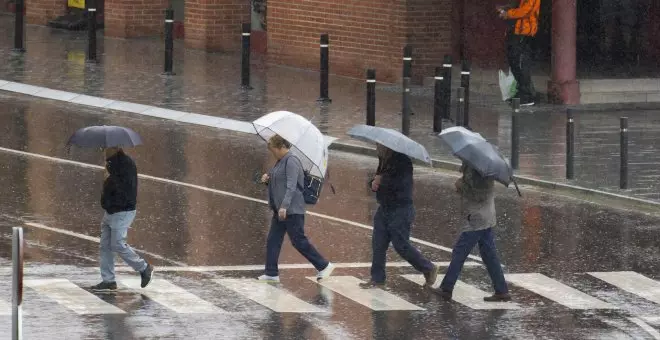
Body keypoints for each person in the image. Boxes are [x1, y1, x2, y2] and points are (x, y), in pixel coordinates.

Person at [360, 144, 438, 289]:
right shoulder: (384, 160)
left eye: (380, 146)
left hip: (400, 209)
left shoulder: (403, 162)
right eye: (376, 145)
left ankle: (428, 268)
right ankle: (377, 279)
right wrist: (373, 183)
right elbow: (377, 180)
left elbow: (400, 185)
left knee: (401, 245)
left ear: (388, 147)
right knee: (378, 244)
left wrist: (381, 181)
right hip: (384, 208)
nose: (377, 148)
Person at [259, 135, 335, 282]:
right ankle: (271, 273)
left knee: (298, 241)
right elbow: (279, 181)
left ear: (281, 147)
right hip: (281, 210)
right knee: (273, 240)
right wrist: (267, 179)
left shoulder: (292, 161)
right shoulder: (281, 161)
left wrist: (285, 206)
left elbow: (292, 186)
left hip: (291, 210)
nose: (272, 153)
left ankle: (324, 265)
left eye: (273, 150)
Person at [435, 163, 510, 302]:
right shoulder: (480, 166)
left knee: (460, 251)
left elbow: (478, 194)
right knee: (489, 254)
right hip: (484, 215)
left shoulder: (478, 168)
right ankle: (502, 290)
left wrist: (460, 186)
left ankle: (446, 288)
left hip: (477, 218)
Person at [91, 147, 154, 290]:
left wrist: (109, 179)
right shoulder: (111, 163)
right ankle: (108, 281)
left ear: (116, 148)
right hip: (110, 211)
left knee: (118, 244)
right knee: (105, 246)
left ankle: (144, 268)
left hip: (122, 211)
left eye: (107, 148)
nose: (104, 150)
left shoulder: (126, 164)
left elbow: (123, 189)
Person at [498, 0, 540, 106]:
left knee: (519, 62)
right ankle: (523, 91)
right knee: (514, 61)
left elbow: (527, 10)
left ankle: (526, 94)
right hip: (516, 31)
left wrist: (508, 13)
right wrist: (507, 8)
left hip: (524, 32)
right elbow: (519, 6)